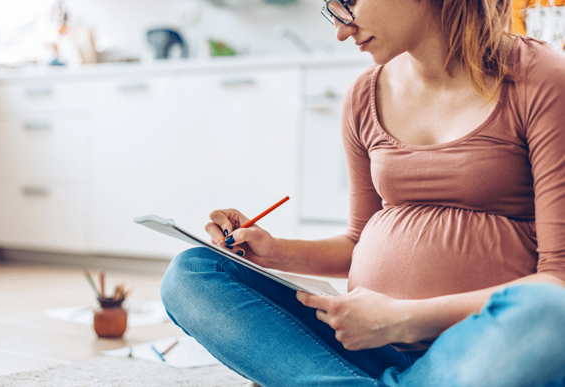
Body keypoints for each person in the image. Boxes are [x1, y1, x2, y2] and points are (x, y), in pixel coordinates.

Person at [160, 0, 565, 385]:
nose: (339, 29)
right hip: (364, 343)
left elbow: (557, 279)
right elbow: (358, 241)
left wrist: (405, 317)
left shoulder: (539, 77)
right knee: (191, 273)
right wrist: (275, 251)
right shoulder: (364, 95)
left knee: (551, 314)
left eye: (348, 2)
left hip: (477, 345)